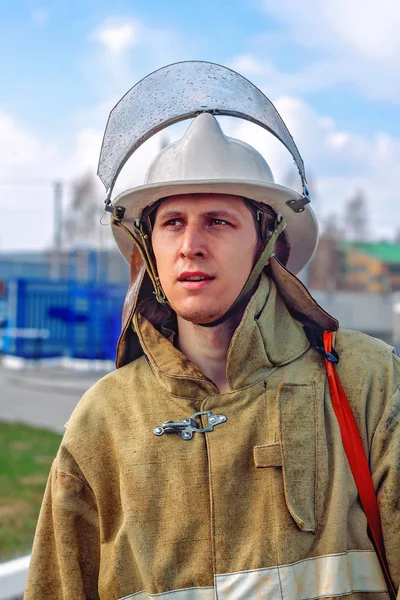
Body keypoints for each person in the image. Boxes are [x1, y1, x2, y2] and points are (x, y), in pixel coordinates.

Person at [25, 62, 400, 600]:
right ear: (148, 248)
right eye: (172, 222)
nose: (190, 245)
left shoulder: (367, 383)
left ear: (269, 242)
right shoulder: (103, 422)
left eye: (219, 221)